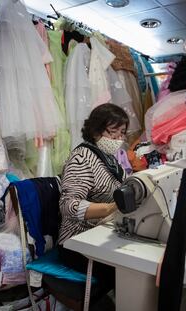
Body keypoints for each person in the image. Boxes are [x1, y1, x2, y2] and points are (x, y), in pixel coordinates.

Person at [57, 103, 129, 288]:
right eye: (114, 132)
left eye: (122, 133)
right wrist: (111, 208)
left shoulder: (108, 159)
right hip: (77, 243)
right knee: (128, 272)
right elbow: (67, 205)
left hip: (101, 234)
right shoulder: (82, 158)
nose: (119, 138)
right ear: (96, 130)